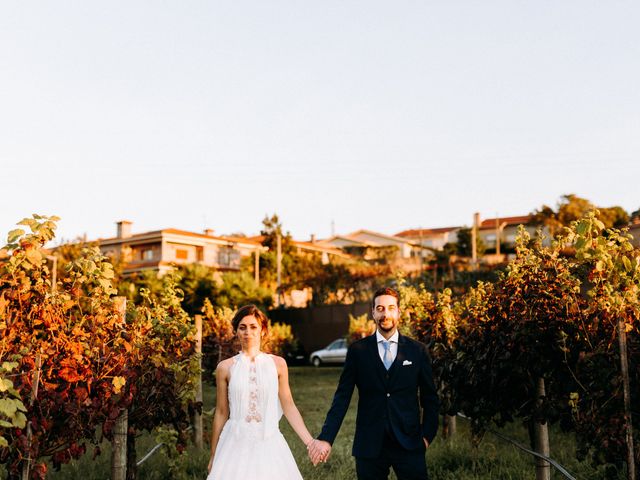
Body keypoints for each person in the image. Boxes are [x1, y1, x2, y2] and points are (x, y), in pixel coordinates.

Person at [308, 287, 439, 479]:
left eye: (390, 308)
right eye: (380, 308)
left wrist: (426, 437)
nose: (385, 314)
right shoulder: (357, 351)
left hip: (410, 443)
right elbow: (342, 398)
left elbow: (430, 399)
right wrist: (326, 438)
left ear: (399, 312)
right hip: (369, 445)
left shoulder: (417, 351)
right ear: (373, 313)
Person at [207, 305, 316, 479]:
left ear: (263, 330)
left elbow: (289, 407)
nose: (247, 332)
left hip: (269, 440)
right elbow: (221, 412)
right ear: (235, 331)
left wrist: (310, 442)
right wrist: (213, 455)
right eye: (242, 327)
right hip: (235, 442)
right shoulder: (225, 368)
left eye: (253, 327)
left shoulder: (278, 364)